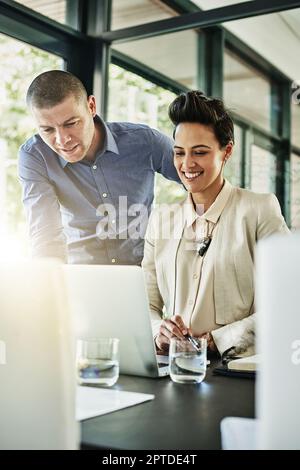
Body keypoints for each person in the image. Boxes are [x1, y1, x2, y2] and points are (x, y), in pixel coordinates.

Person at [142, 90, 290, 356]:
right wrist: (158, 331)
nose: (187, 164)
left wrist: (219, 340)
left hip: (237, 371)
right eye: (179, 153)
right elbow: (145, 305)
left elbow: (288, 300)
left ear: (227, 151)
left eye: (199, 152)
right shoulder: (161, 220)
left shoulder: (259, 210)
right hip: (175, 369)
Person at [18, 70, 180, 265]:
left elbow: (200, 177)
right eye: (48, 130)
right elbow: (45, 234)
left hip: (143, 272)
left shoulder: (144, 141)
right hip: (82, 277)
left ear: (91, 106)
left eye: (71, 123)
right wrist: (50, 287)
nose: (62, 140)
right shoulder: (35, 155)